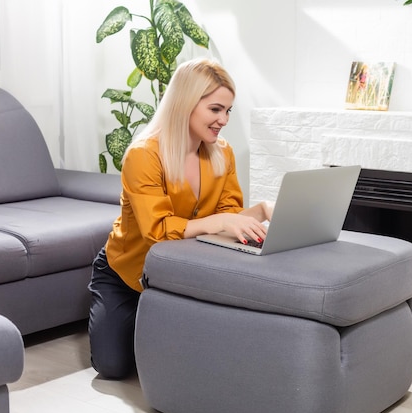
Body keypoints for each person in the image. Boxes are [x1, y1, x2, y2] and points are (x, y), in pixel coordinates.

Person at [88, 58, 274, 380]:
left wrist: (259, 211)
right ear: (186, 103)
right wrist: (220, 222)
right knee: (113, 367)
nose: (223, 120)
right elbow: (158, 231)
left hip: (179, 272)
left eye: (228, 111)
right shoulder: (144, 154)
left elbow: (227, 221)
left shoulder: (222, 152)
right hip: (128, 272)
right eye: (215, 109)